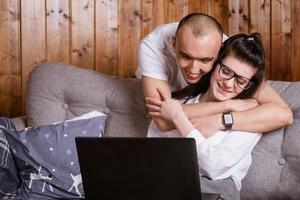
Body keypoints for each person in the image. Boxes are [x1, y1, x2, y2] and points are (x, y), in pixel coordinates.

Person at [146, 33, 267, 200]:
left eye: (241, 81)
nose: (229, 84)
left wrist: (179, 118)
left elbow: (214, 167)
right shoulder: (178, 102)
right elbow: (154, 155)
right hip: (167, 185)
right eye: (226, 71)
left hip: (217, 190)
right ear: (215, 63)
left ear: (248, 85)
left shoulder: (249, 115)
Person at [136, 13, 293, 137]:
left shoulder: (228, 51)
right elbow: (163, 121)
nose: (194, 69)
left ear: (220, 52)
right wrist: (227, 105)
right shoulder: (152, 47)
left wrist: (222, 120)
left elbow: (283, 114)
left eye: (205, 60)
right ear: (174, 43)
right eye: (186, 56)